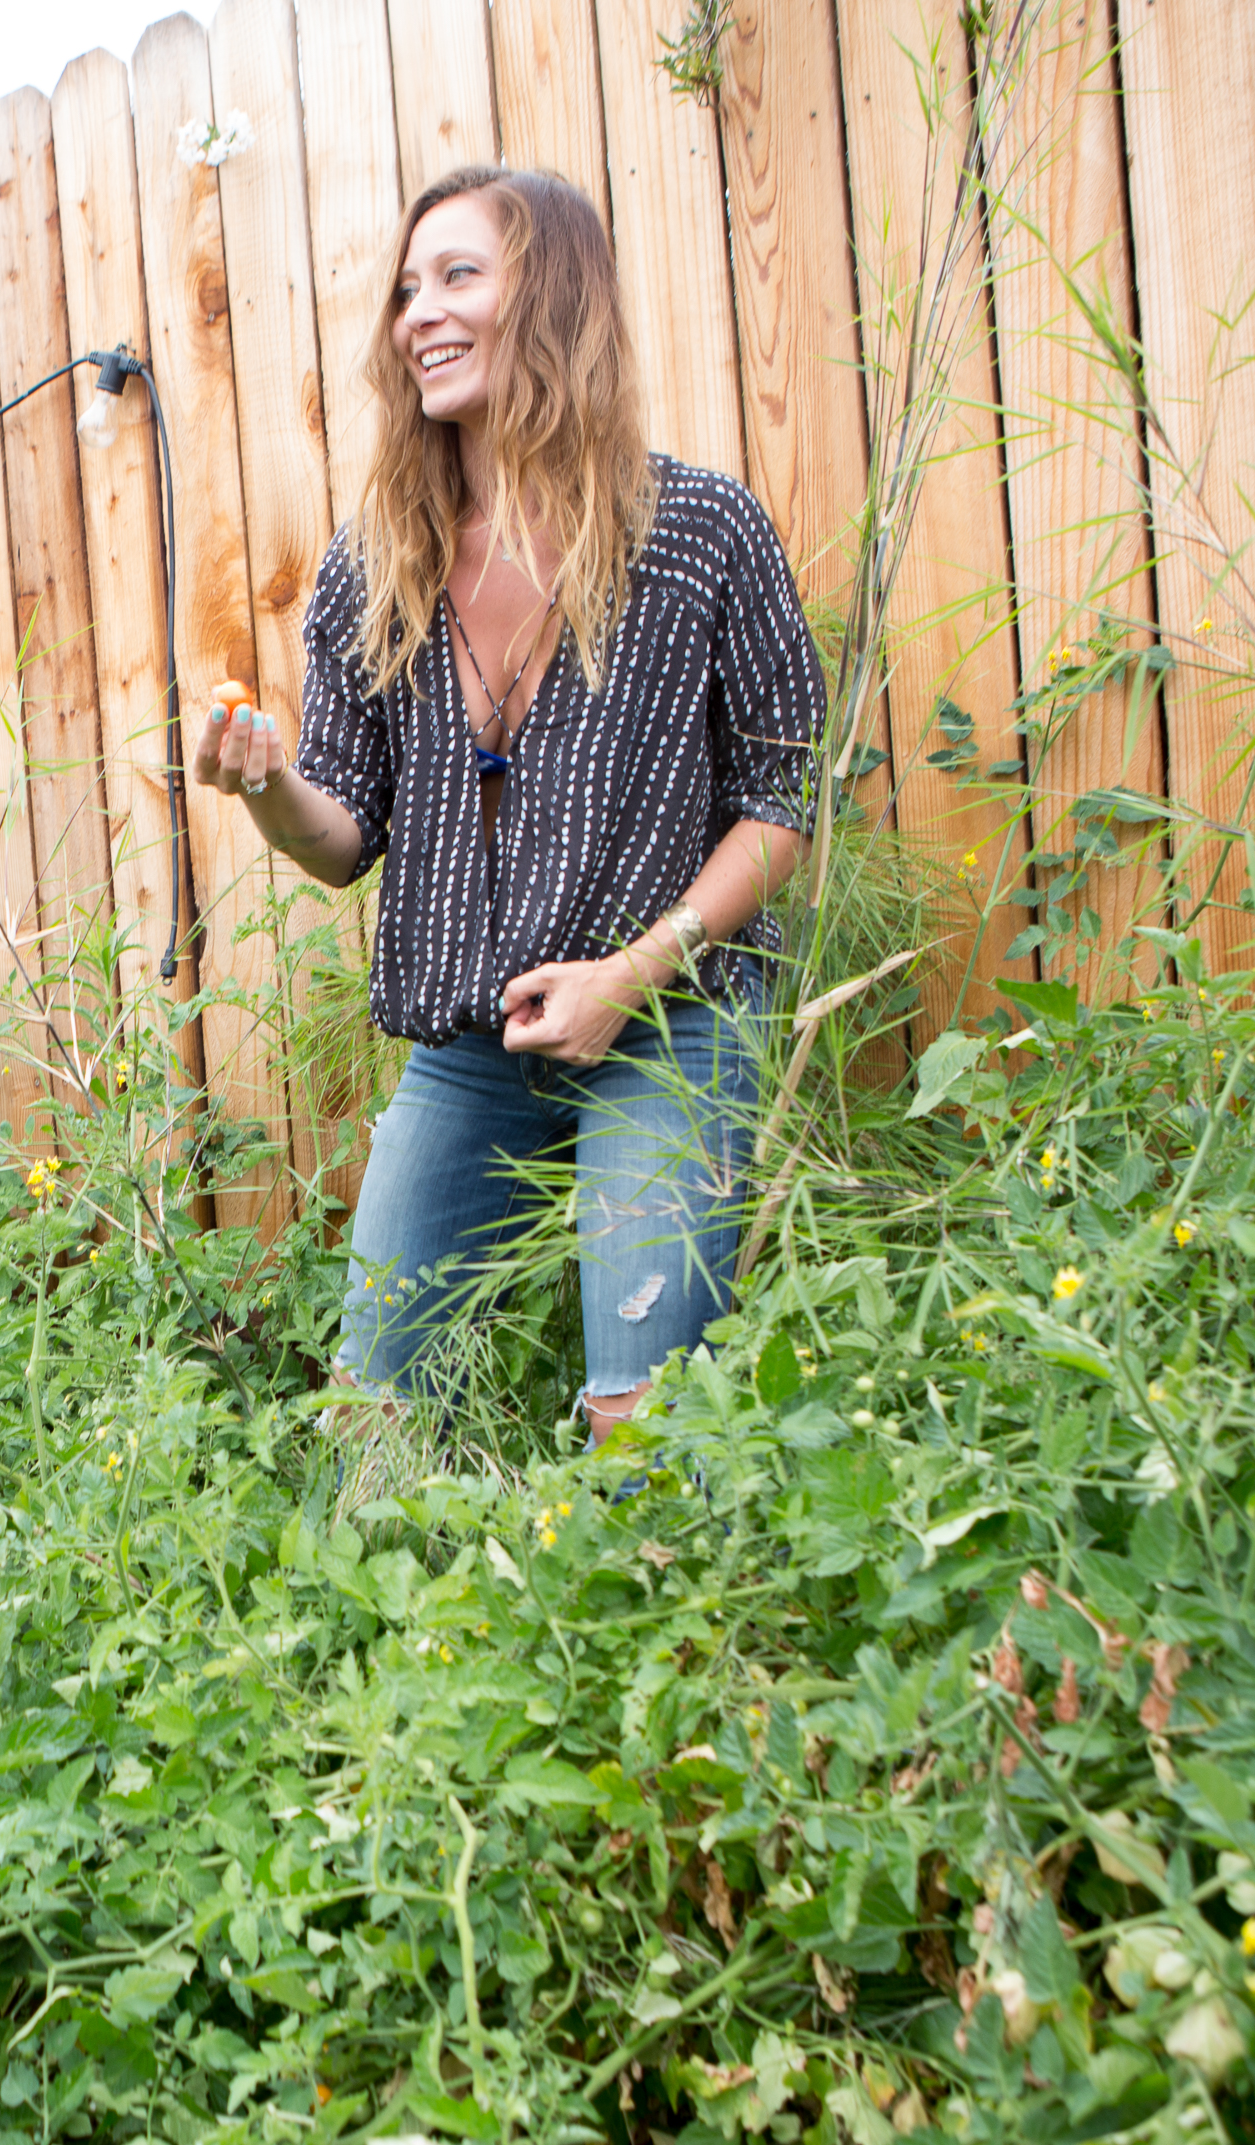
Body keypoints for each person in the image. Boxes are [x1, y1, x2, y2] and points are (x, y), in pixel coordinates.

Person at [194, 163, 824, 1436]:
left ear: (554, 297)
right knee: (374, 1414)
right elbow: (344, 838)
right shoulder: (380, 565)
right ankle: (390, 1630)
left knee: (641, 1416)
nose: (419, 311)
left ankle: (666, 1615)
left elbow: (782, 806)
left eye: (459, 275)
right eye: (407, 288)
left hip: (673, 1021)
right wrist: (266, 788)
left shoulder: (700, 531)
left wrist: (627, 976)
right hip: (472, 1048)